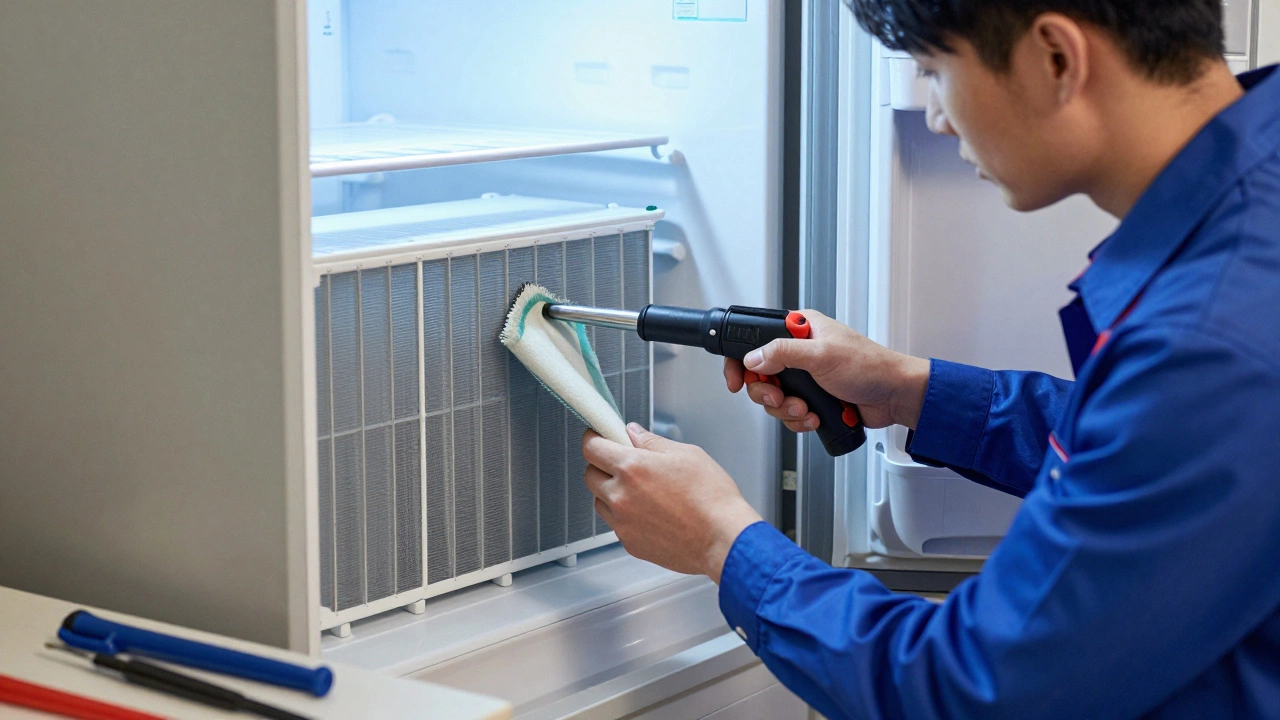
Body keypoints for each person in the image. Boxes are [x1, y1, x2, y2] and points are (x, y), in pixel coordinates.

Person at [579, 1, 1280, 718]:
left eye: (936, 71)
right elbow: (1164, 457)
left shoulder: (1209, 335)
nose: (939, 118)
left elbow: (977, 690)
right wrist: (911, 389)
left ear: (1056, 59)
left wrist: (722, 541)